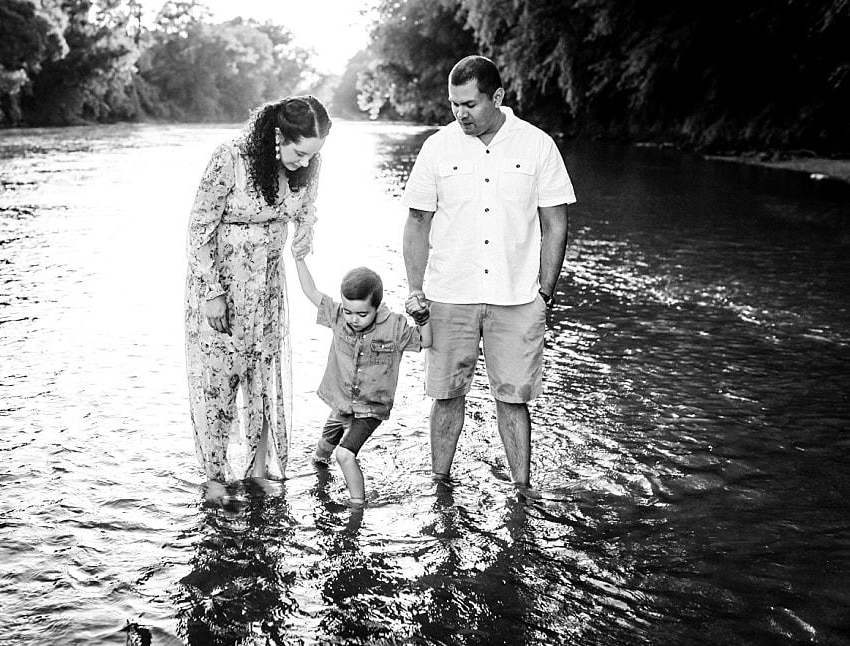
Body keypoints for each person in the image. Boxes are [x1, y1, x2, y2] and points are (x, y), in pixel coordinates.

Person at [401, 55, 576, 491]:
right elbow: (417, 221)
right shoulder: (437, 147)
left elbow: (556, 224)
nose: (460, 114)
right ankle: (439, 486)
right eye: (453, 104)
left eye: (470, 104)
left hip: (517, 297)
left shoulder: (537, 145)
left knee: (514, 399)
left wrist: (545, 294)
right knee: (445, 396)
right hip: (449, 294)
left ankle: (522, 490)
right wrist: (416, 289)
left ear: (497, 97)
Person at [185, 95, 332, 504]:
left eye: (313, 155)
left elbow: (306, 210)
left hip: (268, 288)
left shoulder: (306, 166)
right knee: (219, 381)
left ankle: (256, 470)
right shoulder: (230, 158)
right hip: (221, 288)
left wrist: (305, 235)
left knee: (262, 378)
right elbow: (198, 229)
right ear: (277, 137)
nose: (305, 163)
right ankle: (215, 477)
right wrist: (212, 293)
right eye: (299, 152)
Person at [290, 247, 433, 506]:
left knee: (344, 454)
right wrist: (299, 259)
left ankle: (357, 506)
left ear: (377, 307)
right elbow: (311, 292)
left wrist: (422, 318)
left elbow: (427, 341)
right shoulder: (337, 317)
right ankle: (319, 483)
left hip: (370, 408)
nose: (353, 319)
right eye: (348, 311)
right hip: (342, 403)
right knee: (322, 452)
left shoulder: (395, 327)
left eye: (362, 314)